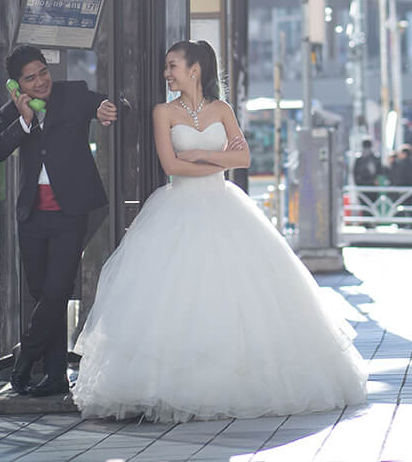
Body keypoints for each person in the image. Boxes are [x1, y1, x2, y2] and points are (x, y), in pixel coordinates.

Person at [73, 40, 367, 421]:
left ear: (194, 69)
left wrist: (201, 155)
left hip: (224, 205)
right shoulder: (162, 112)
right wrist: (213, 161)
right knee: (175, 297)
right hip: (176, 209)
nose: (167, 73)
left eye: (172, 66)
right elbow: (171, 166)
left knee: (240, 295)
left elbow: (242, 158)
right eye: (167, 67)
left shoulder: (222, 109)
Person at [0, 45, 118, 397]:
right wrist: (23, 122)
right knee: (43, 295)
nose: (40, 81)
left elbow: (102, 102)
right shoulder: (12, 111)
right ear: (17, 85)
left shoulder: (71, 93)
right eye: (29, 78)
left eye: (42, 72)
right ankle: (55, 376)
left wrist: (105, 109)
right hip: (32, 215)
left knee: (56, 291)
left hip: (70, 212)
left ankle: (24, 360)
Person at [354, 137, 383, 223]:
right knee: (372, 204)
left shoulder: (359, 158)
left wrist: (357, 184)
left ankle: (367, 222)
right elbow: (380, 171)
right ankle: (371, 222)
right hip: (372, 185)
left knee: (365, 205)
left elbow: (354, 173)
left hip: (362, 185)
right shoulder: (375, 157)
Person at [387, 144, 412, 226]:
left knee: (401, 207)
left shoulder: (402, 164)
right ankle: (410, 224)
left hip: (403, 189)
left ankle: (402, 224)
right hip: (410, 189)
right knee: (408, 207)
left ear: (404, 154)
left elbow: (398, 177)